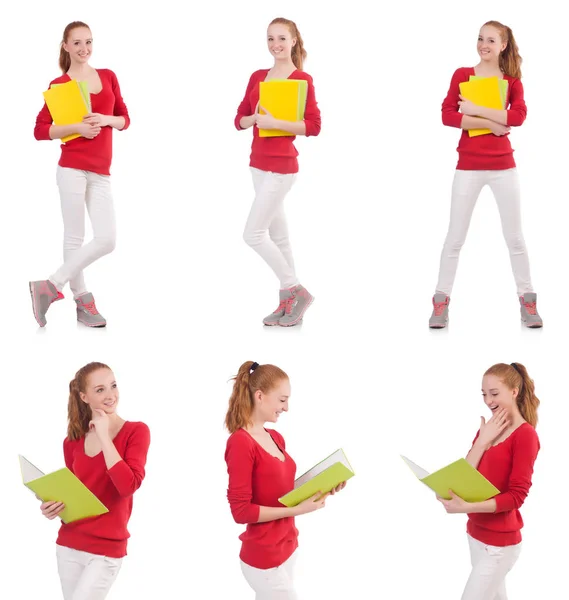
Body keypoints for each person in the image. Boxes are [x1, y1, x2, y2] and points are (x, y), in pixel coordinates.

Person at [429, 21, 541, 329]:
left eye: (491, 40)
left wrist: (478, 109)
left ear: (503, 45)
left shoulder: (512, 81)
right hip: (468, 165)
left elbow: (517, 117)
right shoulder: (462, 75)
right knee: (455, 238)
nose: (483, 45)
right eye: (480, 39)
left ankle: (527, 301)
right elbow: (447, 115)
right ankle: (441, 301)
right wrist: (492, 123)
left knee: (515, 237)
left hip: (504, 167)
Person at [30, 21, 130, 328]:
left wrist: (105, 119)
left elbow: (125, 119)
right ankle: (83, 301)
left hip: (101, 170)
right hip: (71, 167)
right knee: (74, 237)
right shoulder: (59, 85)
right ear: (66, 46)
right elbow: (39, 130)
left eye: (88, 42)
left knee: (107, 239)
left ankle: (49, 285)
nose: (84, 49)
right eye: (77, 43)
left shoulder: (108, 76)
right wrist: (77, 128)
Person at [225, 361, 346, 599]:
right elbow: (241, 512)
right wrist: (299, 510)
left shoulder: (276, 437)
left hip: (288, 548)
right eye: (282, 400)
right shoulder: (241, 442)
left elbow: (282, 493)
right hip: (263, 558)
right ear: (260, 396)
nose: (287, 407)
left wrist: (323, 488)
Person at [235, 18, 321, 327]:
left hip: (283, 167)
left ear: (294, 40)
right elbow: (239, 119)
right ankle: (288, 302)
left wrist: (277, 125)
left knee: (252, 234)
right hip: (257, 165)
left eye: (282, 38)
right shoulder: (258, 76)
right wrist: (254, 118)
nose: (276, 45)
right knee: (278, 235)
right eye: (270, 39)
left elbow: (313, 125)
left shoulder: (302, 80)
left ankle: (296, 290)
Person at [39, 362, 150, 600]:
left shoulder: (136, 432)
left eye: (113, 386)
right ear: (84, 396)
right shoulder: (72, 442)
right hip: (69, 544)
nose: (111, 395)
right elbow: (77, 494)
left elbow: (128, 486)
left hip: (106, 550)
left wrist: (104, 435)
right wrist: (54, 508)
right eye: (100, 390)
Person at [438, 362, 540, 599]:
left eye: (494, 394)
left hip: (500, 546)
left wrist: (467, 507)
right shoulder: (488, 429)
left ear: (514, 392)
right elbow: (465, 473)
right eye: (484, 394)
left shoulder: (525, 435)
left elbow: (517, 496)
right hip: (475, 535)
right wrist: (482, 441)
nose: (488, 401)